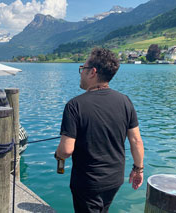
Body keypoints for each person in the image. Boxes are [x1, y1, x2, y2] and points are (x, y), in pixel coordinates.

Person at [55, 47, 144, 213]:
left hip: (88, 182)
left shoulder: (75, 105)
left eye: (83, 69)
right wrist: (138, 169)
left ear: (92, 72)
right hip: (115, 179)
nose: (80, 73)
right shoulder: (125, 101)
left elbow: (66, 150)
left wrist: (58, 154)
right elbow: (136, 141)